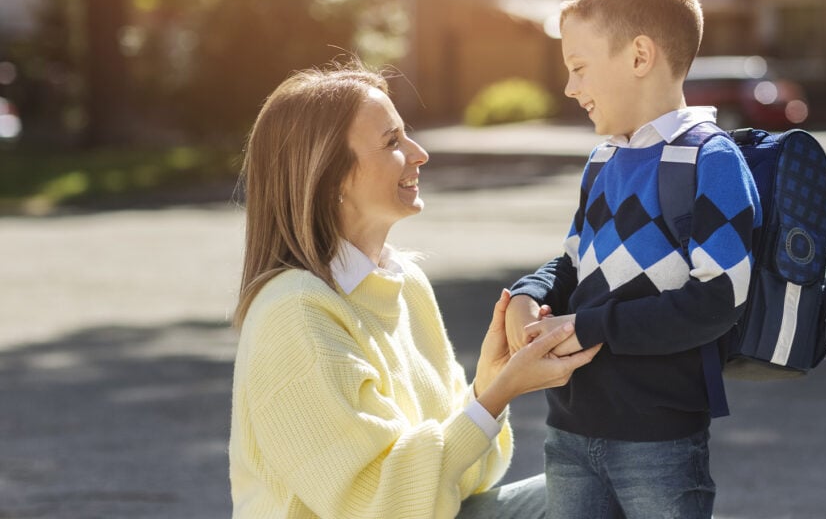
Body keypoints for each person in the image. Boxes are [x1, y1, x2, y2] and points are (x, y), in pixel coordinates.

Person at [228, 61, 601, 519]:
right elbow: (378, 507)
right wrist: (495, 396)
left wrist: (487, 381)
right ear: (331, 177)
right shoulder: (295, 313)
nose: (419, 152)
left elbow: (463, 483)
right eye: (392, 142)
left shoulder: (405, 284)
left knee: (612, 486)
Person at [503, 0, 762, 519]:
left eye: (578, 68)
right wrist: (530, 291)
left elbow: (718, 298)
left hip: (658, 441)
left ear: (640, 57)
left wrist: (588, 327)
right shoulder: (602, 161)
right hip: (569, 430)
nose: (570, 87)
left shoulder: (709, 160)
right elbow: (574, 262)